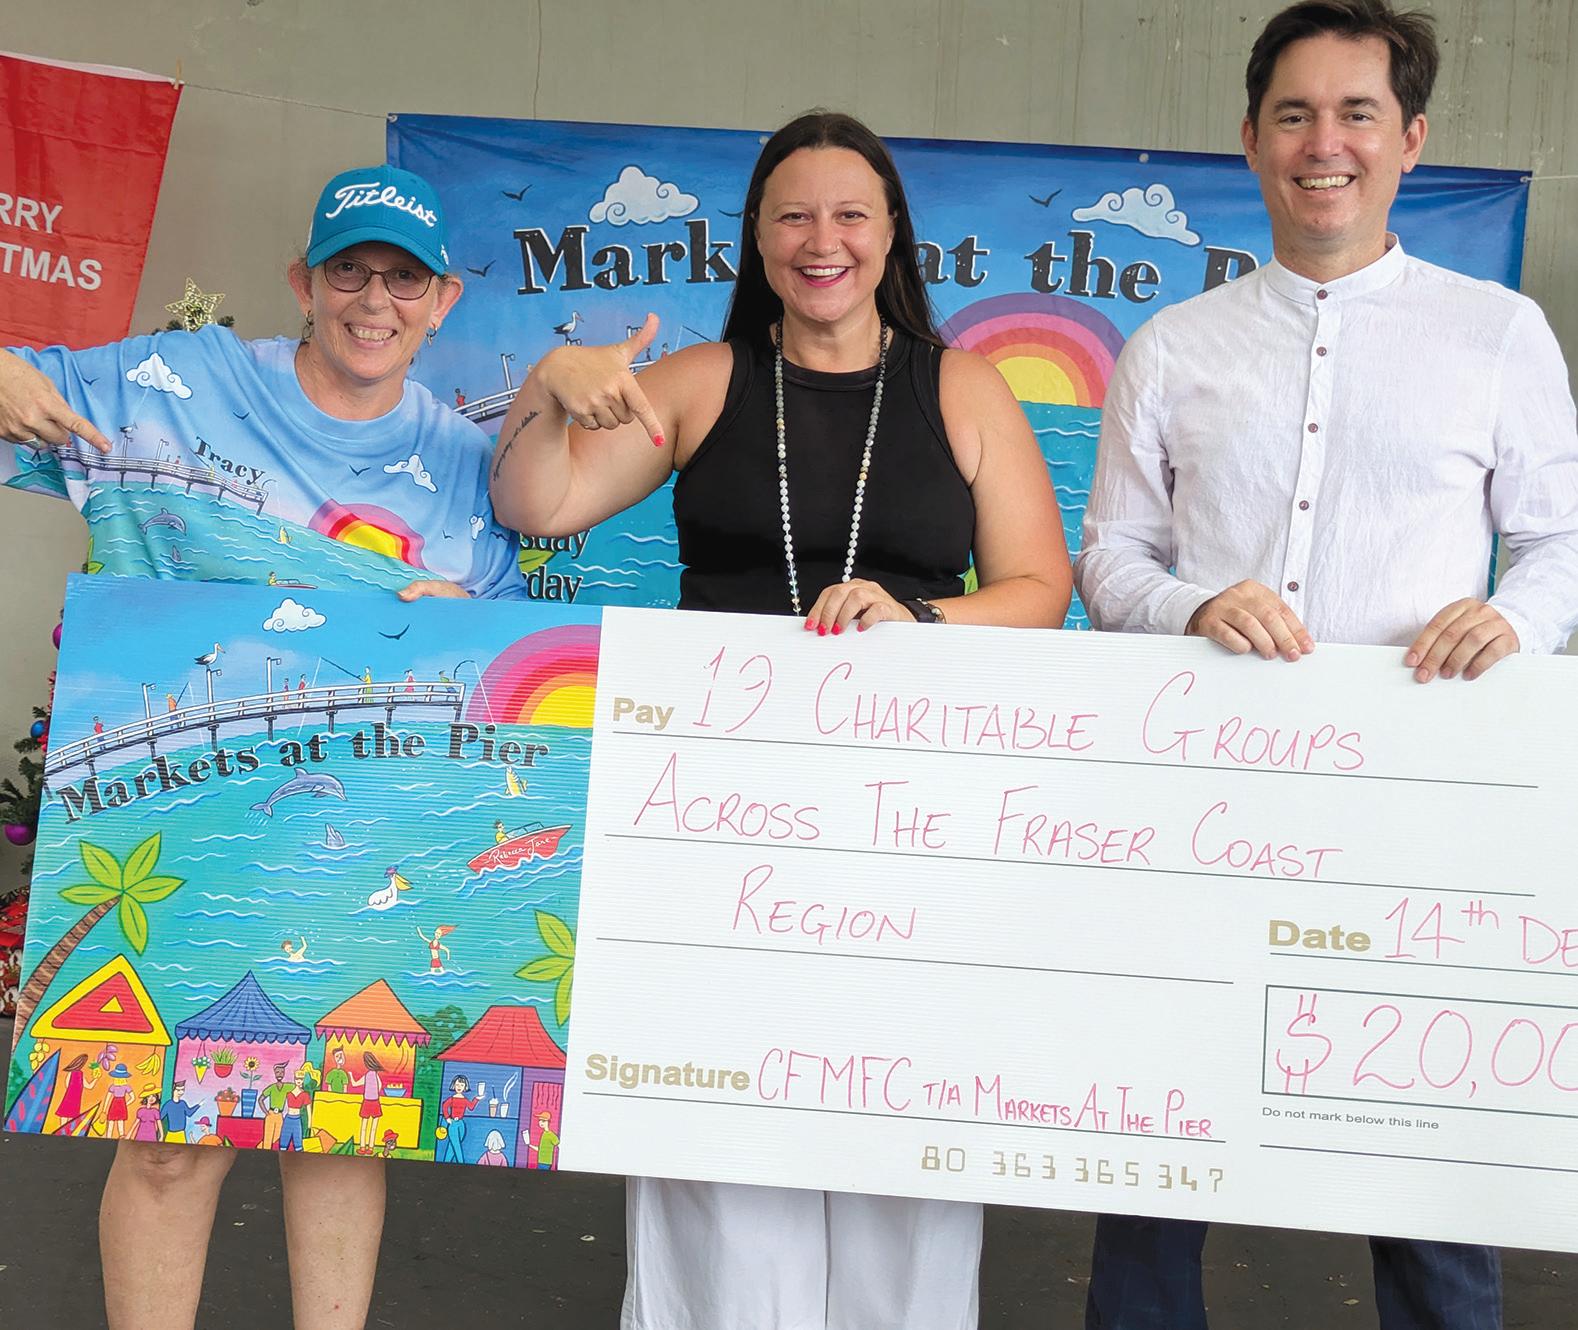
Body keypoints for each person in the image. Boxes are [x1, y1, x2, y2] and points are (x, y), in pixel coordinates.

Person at [492, 109, 1071, 1330]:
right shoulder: (706, 382)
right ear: (756, 238)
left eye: (850, 214)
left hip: (911, 824)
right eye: (794, 216)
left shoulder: (961, 388)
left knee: (904, 1147)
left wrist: (920, 617)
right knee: (721, 1141)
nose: (823, 240)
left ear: (891, 232)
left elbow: (1039, 587)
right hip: (718, 822)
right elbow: (540, 506)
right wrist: (549, 387)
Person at [1074, 4, 1578, 1327]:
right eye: (1293, 115)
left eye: (1357, 113)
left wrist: (1516, 623)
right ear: (1249, 139)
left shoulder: (1498, 333)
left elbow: (1560, 540)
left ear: (1410, 139)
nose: (1323, 143)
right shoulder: (1171, 347)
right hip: (1199, 806)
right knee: (1156, 1140)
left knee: (1418, 1156)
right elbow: (1109, 558)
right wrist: (1190, 604)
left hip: (1416, 811)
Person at [0, 161, 528, 1330]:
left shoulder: (467, 467)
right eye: (350, 270)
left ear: (444, 301)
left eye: (405, 278)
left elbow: (501, 672)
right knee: (163, 1141)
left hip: (358, 837)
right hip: (172, 815)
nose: (374, 300)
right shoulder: (175, 383)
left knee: (339, 1131)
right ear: (302, 281)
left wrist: (467, 627)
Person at [437, 1073, 482, 1164]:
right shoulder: (452, 1099)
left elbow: (471, 1107)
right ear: (454, 1085)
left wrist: (477, 1098)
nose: (459, 1087)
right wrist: (447, 1118)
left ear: (465, 1087)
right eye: (457, 1084)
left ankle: (445, 1162)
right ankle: (461, 1163)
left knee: (452, 1146)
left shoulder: (464, 1100)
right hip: (453, 1124)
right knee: (457, 1147)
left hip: (461, 1124)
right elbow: (445, 1106)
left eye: (461, 1085)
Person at [353, 1052, 385, 1155]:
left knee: (364, 1127)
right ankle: (371, 1148)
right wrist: (374, 1093)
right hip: (375, 1101)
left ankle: (362, 1147)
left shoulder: (367, 1075)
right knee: (373, 1128)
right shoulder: (375, 1075)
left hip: (367, 1102)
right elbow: (380, 1086)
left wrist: (350, 1076)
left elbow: (355, 1084)